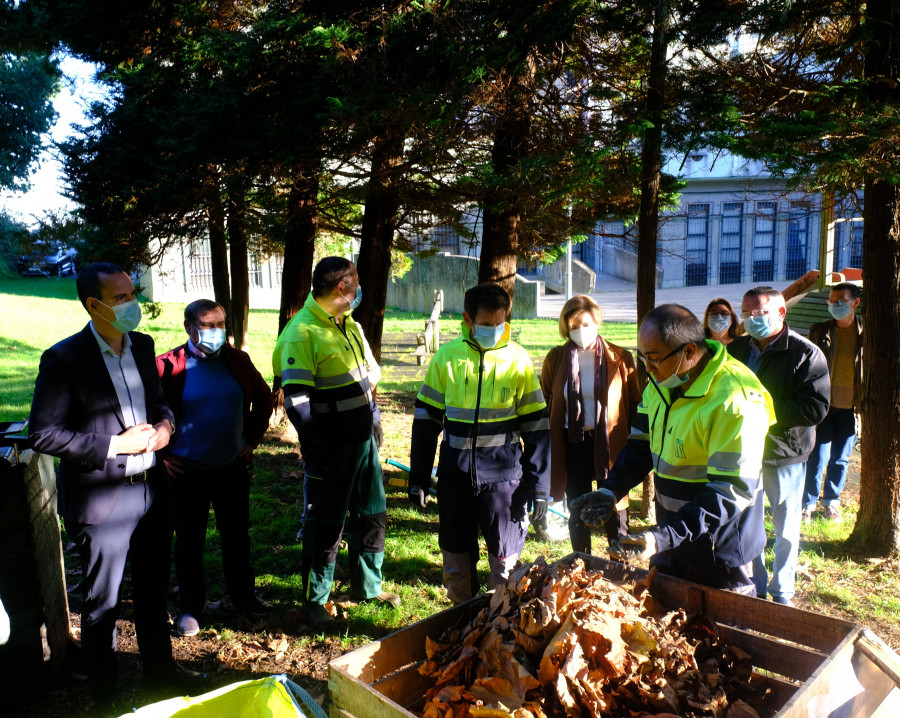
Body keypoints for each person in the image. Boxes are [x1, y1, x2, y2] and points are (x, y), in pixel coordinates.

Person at [29, 262, 200, 709]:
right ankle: (106, 696)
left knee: (153, 590)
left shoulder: (142, 346)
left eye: (131, 293)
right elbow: (43, 433)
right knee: (103, 603)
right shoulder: (64, 358)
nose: (132, 304)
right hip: (103, 497)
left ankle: (160, 679)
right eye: (120, 298)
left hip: (151, 491)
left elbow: (161, 404)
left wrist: (165, 428)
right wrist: (114, 445)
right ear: (93, 305)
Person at [570, 304, 774, 595]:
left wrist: (661, 537)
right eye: (643, 359)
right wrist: (610, 490)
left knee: (722, 634)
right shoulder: (661, 381)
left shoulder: (735, 400)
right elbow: (640, 445)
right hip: (672, 536)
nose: (648, 370)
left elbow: (730, 491)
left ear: (689, 352)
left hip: (720, 547)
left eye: (653, 360)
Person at [273, 257, 398, 625]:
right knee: (327, 523)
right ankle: (315, 601)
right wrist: (320, 447)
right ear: (343, 287)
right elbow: (296, 402)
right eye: (356, 282)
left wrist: (372, 421)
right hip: (331, 448)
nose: (360, 288)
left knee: (372, 512)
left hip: (363, 441)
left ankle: (368, 587)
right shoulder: (302, 332)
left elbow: (365, 380)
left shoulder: (348, 324)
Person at [408, 283, 550, 604]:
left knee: (504, 565)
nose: (495, 331)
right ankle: (463, 628)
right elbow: (426, 421)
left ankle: (498, 630)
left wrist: (540, 485)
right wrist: (418, 476)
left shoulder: (518, 360)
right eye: (486, 325)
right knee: (457, 564)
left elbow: (538, 428)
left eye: (500, 323)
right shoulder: (446, 358)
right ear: (468, 320)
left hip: (504, 483)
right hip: (454, 480)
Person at [157, 299, 274, 637]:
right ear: (188, 327)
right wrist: (160, 457)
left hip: (231, 468)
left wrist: (251, 439)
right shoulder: (167, 367)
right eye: (207, 326)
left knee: (237, 537)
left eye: (220, 325)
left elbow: (265, 397)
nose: (215, 332)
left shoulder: (237, 361)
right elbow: (145, 413)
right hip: (187, 472)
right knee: (189, 543)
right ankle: (190, 608)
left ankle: (243, 597)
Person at [728, 286, 830, 605]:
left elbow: (815, 407)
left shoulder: (806, 353)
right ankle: (755, 584)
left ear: (780, 313)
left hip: (784, 453)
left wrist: (762, 412)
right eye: (747, 314)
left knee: (786, 526)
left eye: (759, 313)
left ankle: (782, 589)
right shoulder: (736, 349)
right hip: (743, 452)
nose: (752, 320)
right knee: (748, 523)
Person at [539, 295, 640, 553]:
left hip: (610, 441)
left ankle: (619, 560)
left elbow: (633, 402)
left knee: (614, 502)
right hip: (573, 442)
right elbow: (548, 397)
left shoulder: (621, 357)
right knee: (577, 505)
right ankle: (581, 561)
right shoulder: (555, 358)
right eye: (574, 326)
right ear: (566, 328)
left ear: (597, 323)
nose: (580, 331)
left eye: (585, 324)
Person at [803, 283, 863, 523]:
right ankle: (806, 504)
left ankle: (831, 503)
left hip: (852, 408)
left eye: (840, 300)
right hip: (823, 406)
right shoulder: (820, 332)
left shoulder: (867, 334)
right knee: (817, 456)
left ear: (855, 302)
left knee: (840, 458)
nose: (834, 304)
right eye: (831, 300)